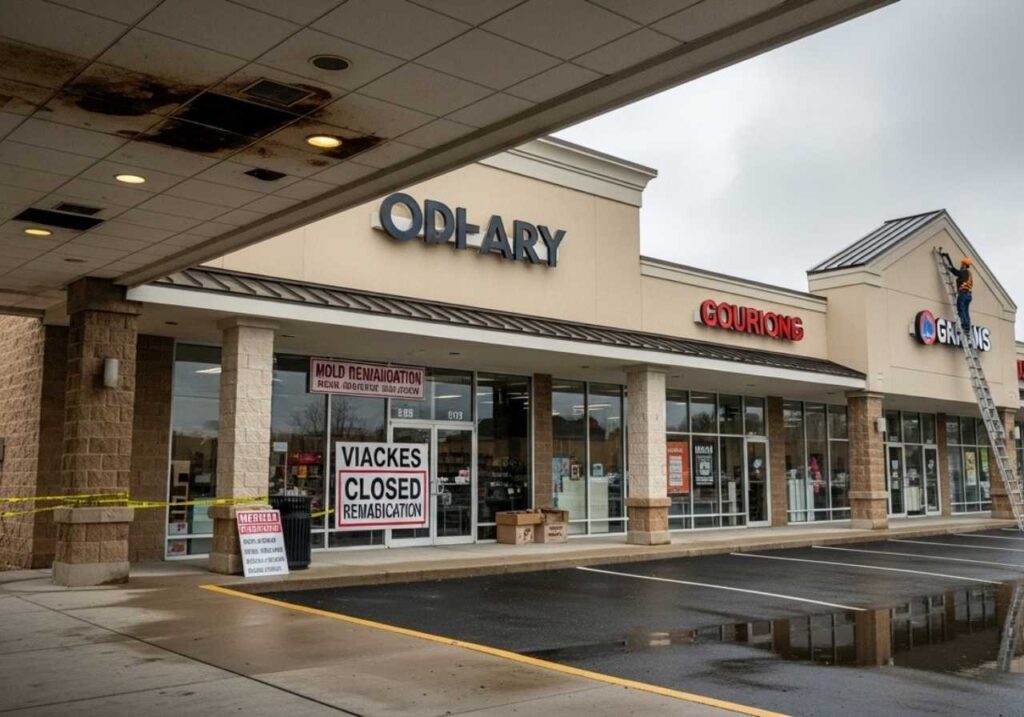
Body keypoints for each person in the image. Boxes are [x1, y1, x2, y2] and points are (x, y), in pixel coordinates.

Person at [941, 251, 973, 333]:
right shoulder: (969, 273)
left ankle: (965, 325)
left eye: (962, 264)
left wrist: (947, 258)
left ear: (964, 265)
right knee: (965, 311)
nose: (961, 265)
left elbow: (955, 272)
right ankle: (967, 327)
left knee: (961, 309)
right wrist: (948, 259)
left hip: (963, 294)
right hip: (968, 295)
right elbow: (957, 272)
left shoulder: (964, 272)